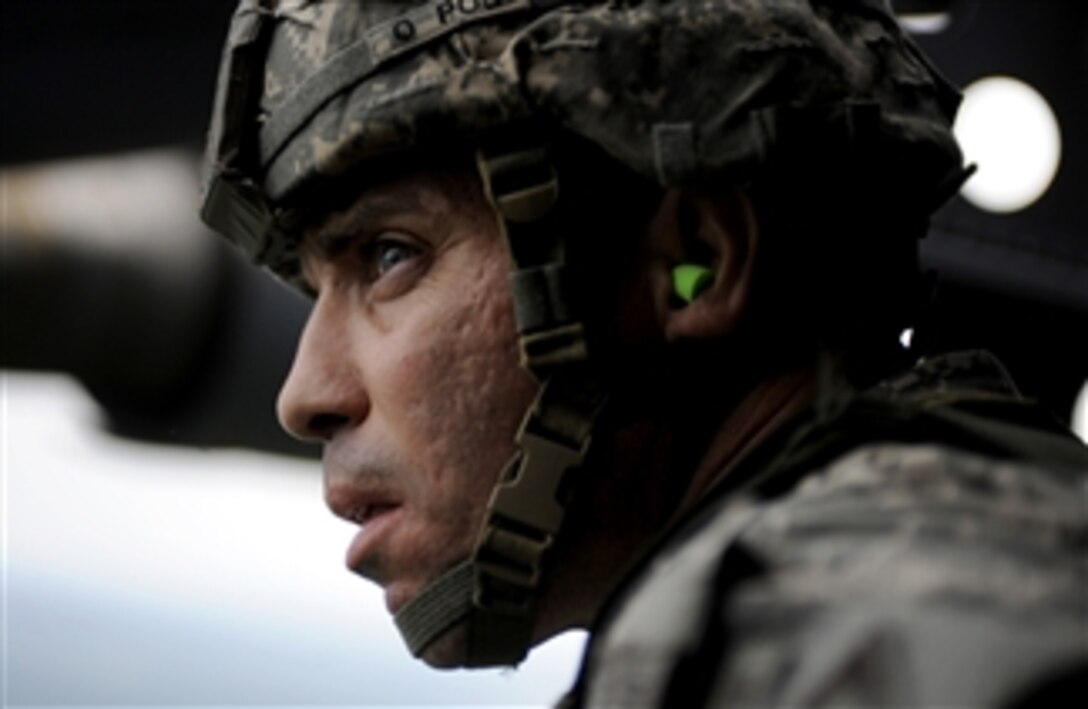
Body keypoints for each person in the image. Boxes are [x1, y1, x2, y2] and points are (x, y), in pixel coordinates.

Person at [201, 1, 1087, 705]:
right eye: (317, 291)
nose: (305, 394)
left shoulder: (842, 612)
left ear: (693, 262)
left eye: (390, 255)